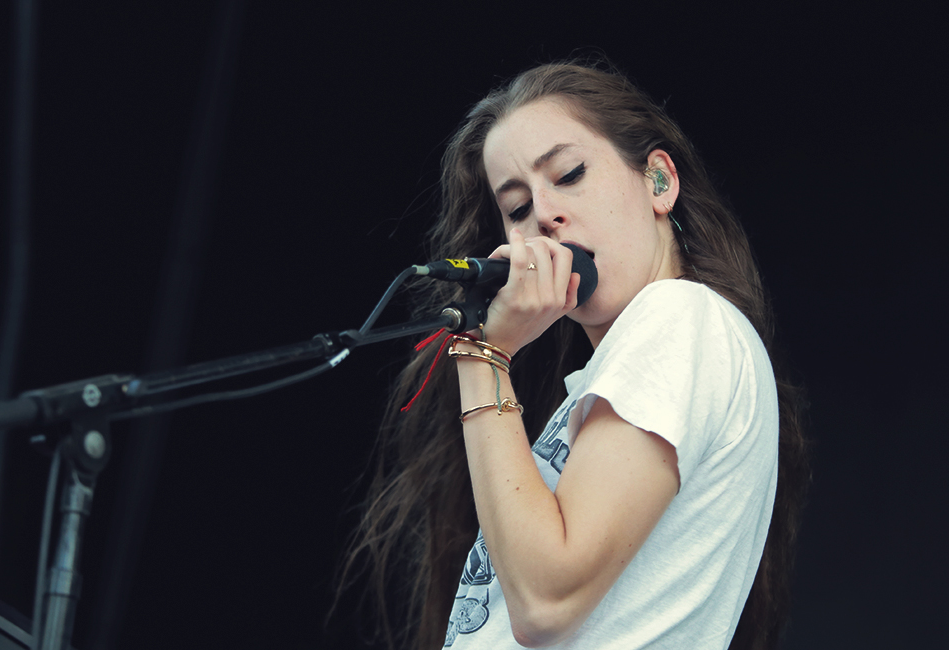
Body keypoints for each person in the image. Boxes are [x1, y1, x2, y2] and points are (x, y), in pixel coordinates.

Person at [342, 60, 808, 650]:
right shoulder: (627, 363)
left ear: (659, 181)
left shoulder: (681, 319)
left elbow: (545, 600)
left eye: (569, 173)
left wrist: (484, 356)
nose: (542, 215)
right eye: (515, 209)